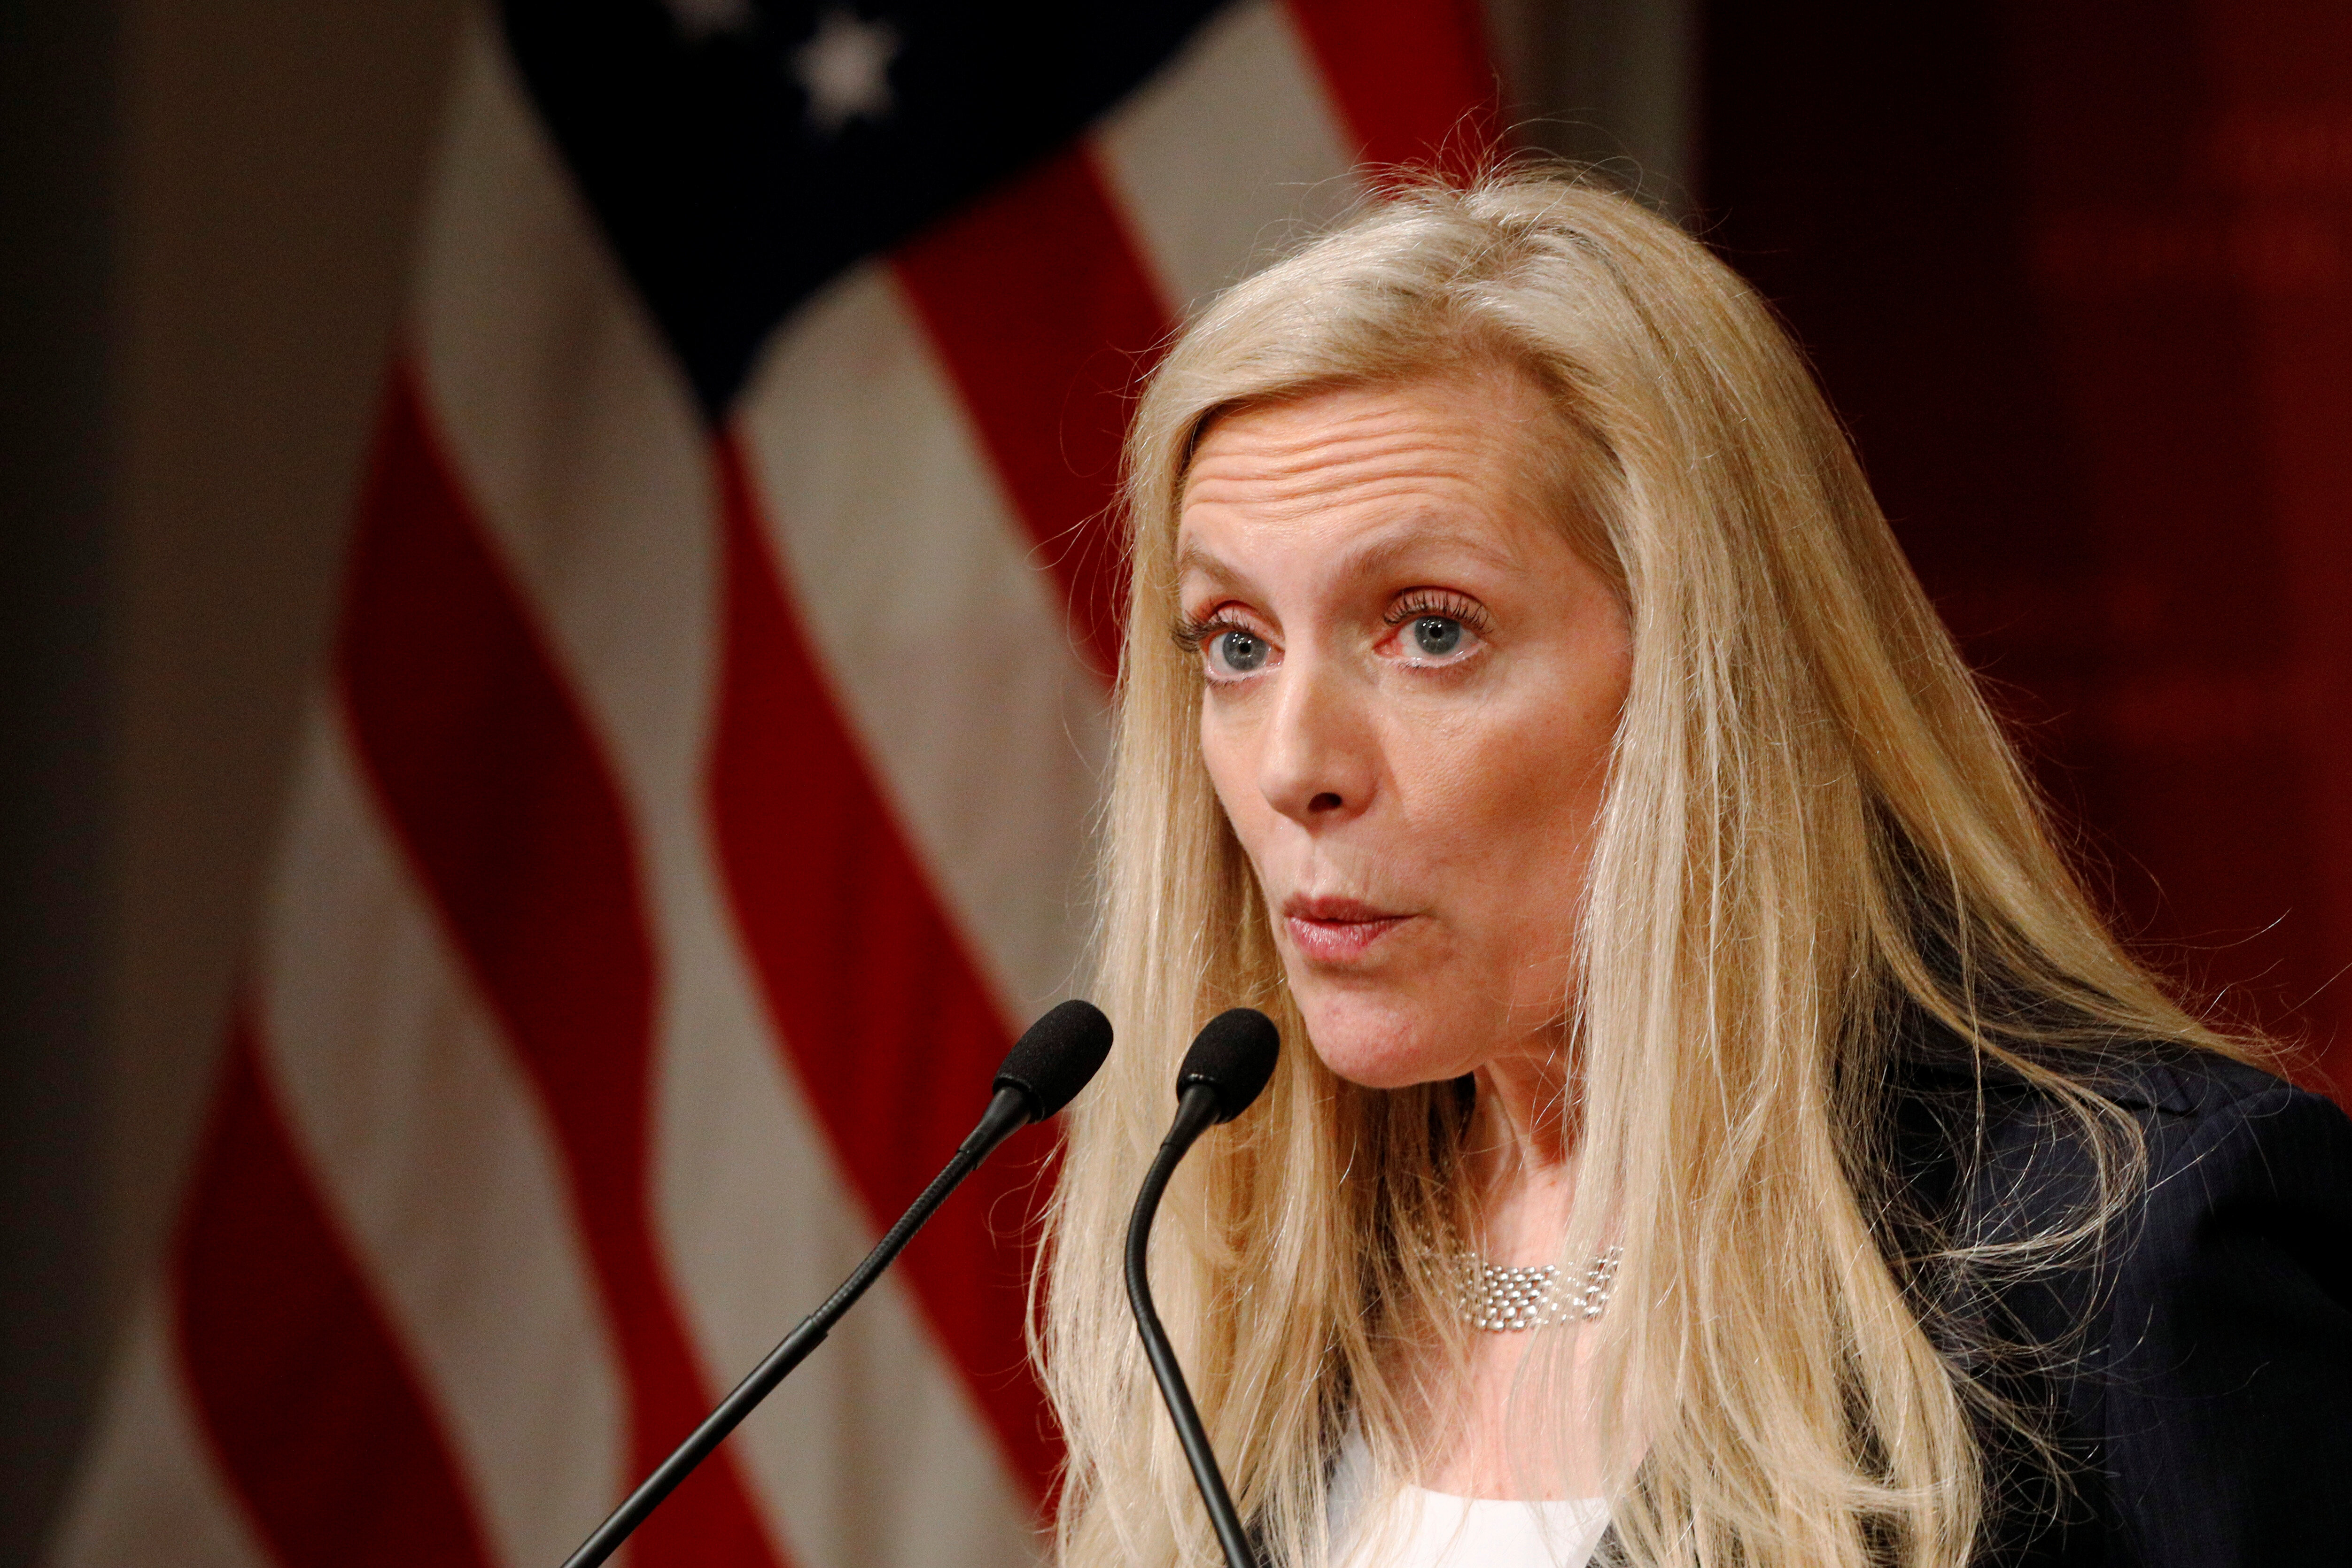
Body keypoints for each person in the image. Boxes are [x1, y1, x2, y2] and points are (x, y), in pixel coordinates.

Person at [1032, 168, 2352, 1568]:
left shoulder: (2125, 1253)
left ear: (1708, 679)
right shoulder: (1255, 1287)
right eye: (1234, 641)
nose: (1296, 760)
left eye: (1429, 629)